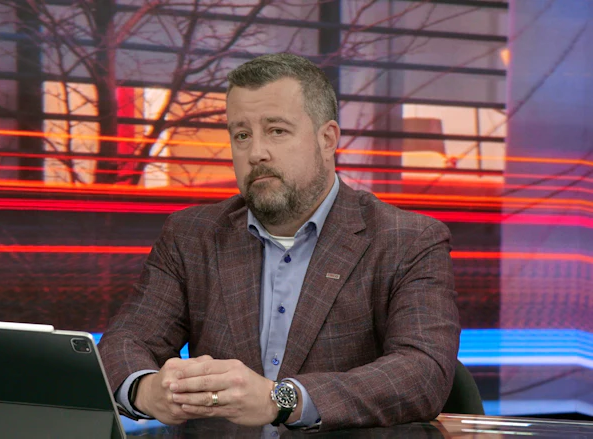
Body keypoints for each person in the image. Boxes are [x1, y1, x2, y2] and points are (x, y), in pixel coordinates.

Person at [98, 53, 460, 432]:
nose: (256, 153)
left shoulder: (408, 240)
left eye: (277, 131)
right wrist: (145, 389)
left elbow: (422, 373)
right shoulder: (192, 235)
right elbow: (124, 342)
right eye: (241, 135)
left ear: (327, 139)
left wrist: (281, 399)